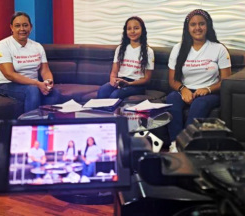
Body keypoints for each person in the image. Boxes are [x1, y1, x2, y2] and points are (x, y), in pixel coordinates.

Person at [166, 9, 231, 151]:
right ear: (187, 28)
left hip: (210, 92)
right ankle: (174, 144)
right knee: (171, 98)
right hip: (186, 89)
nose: (197, 28)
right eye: (193, 25)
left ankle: (187, 145)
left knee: (199, 104)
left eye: (201, 24)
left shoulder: (219, 49)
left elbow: (226, 81)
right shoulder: (178, 49)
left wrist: (207, 89)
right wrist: (183, 89)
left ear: (207, 26)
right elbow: (172, 80)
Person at [0, 12, 61, 112]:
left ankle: (48, 125)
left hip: (32, 84)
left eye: (25, 25)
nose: (22, 29)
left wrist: (48, 82)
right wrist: (37, 84)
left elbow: (45, 70)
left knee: (54, 93)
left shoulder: (37, 46)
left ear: (31, 27)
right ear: (11, 27)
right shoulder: (3, 45)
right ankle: (29, 125)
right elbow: (9, 75)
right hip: (7, 85)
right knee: (32, 90)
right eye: (17, 26)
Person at [97, 16, 154, 99]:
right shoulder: (120, 49)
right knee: (103, 90)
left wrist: (129, 83)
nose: (132, 31)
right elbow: (114, 72)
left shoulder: (148, 51)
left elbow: (147, 79)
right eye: (129, 28)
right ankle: (100, 112)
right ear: (125, 31)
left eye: (136, 28)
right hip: (120, 81)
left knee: (115, 95)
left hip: (137, 85)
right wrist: (113, 80)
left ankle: (113, 112)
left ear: (142, 30)